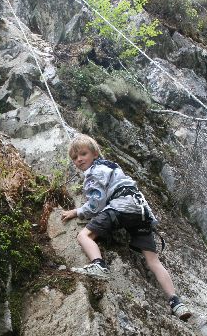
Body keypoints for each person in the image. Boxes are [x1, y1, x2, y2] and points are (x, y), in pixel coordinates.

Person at [61, 134, 192, 321]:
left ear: (95, 154)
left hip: (121, 207)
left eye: (83, 154)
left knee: (84, 236)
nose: (79, 159)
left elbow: (96, 204)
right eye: (75, 157)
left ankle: (98, 265)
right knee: (153, 261)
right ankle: (176, 302)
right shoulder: (112, 166)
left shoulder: (94, 172)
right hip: (142, 212)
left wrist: (76, 211)